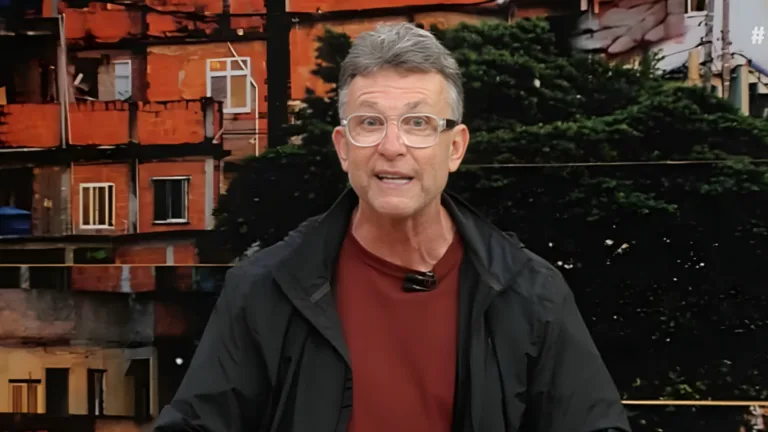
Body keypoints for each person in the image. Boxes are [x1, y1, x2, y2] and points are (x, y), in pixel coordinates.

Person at [153, 22, 631, 432]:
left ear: (455, 147)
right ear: (343, 148)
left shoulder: (530, 293)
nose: (392, 146)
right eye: (370, 123)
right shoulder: (266, 289)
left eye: (418, 123)